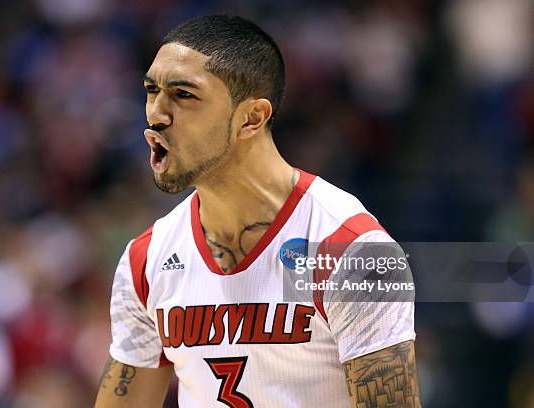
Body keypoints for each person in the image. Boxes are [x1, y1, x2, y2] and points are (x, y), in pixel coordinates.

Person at [94, 15, 420, 408]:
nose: (156, 114)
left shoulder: (350, 252)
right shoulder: (146, 260)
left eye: (183, 95)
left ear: (251, 118)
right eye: (151, 90)